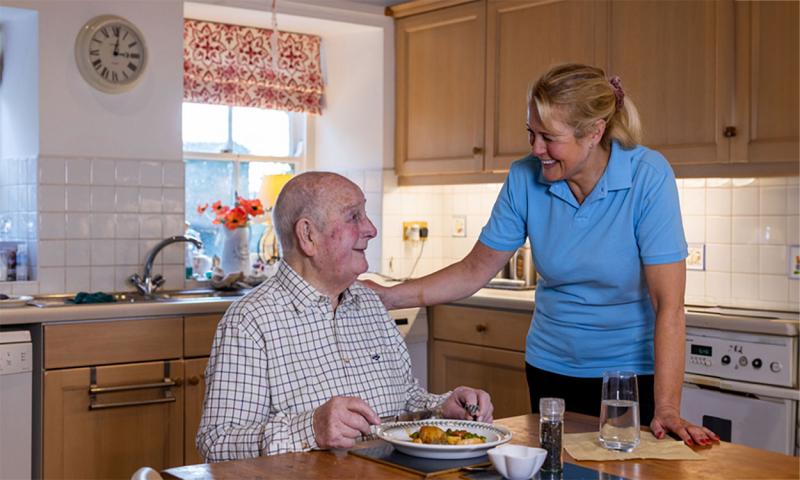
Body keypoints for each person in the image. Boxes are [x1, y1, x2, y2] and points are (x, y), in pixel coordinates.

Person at [364, 63, 718, 447]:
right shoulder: (524, 177)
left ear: (594, 132)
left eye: (549, 137)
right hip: (550, 367)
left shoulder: (647, 175)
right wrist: (387, 295)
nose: (536, 149)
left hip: (628, 377)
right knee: (555, 467)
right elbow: (474, 270)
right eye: (531, 133)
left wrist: (666, 407)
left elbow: (668, 304)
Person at [196, 172, 493, 462]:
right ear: (308, 235)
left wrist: (443, 408)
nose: (371, 229)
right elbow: (217, 442)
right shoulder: (250, 320)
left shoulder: (369, 303)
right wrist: (310, 429)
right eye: (354, 217)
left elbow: (406, 398)